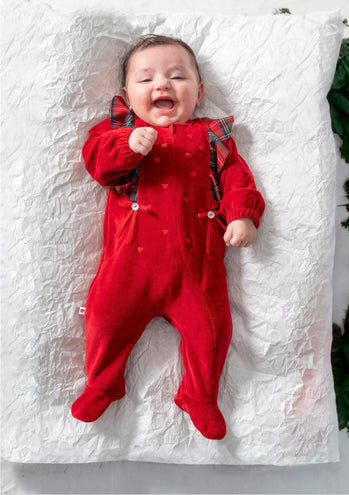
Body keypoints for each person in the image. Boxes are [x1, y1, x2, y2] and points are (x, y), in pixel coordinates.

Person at [71, 34, 265, 440]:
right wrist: (126, 145)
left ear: (199, 92)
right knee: (104, 318)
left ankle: (200, 396)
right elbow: (96, 160)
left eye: (177, 76)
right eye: (146, 80)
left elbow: (237, 179)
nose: (161, 85)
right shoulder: (121, 130)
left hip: (196, 269)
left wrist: (242, 216)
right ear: (127, 94)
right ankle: (103, 382)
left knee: (213, 330)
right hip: (129, 267)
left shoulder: (212, 138)